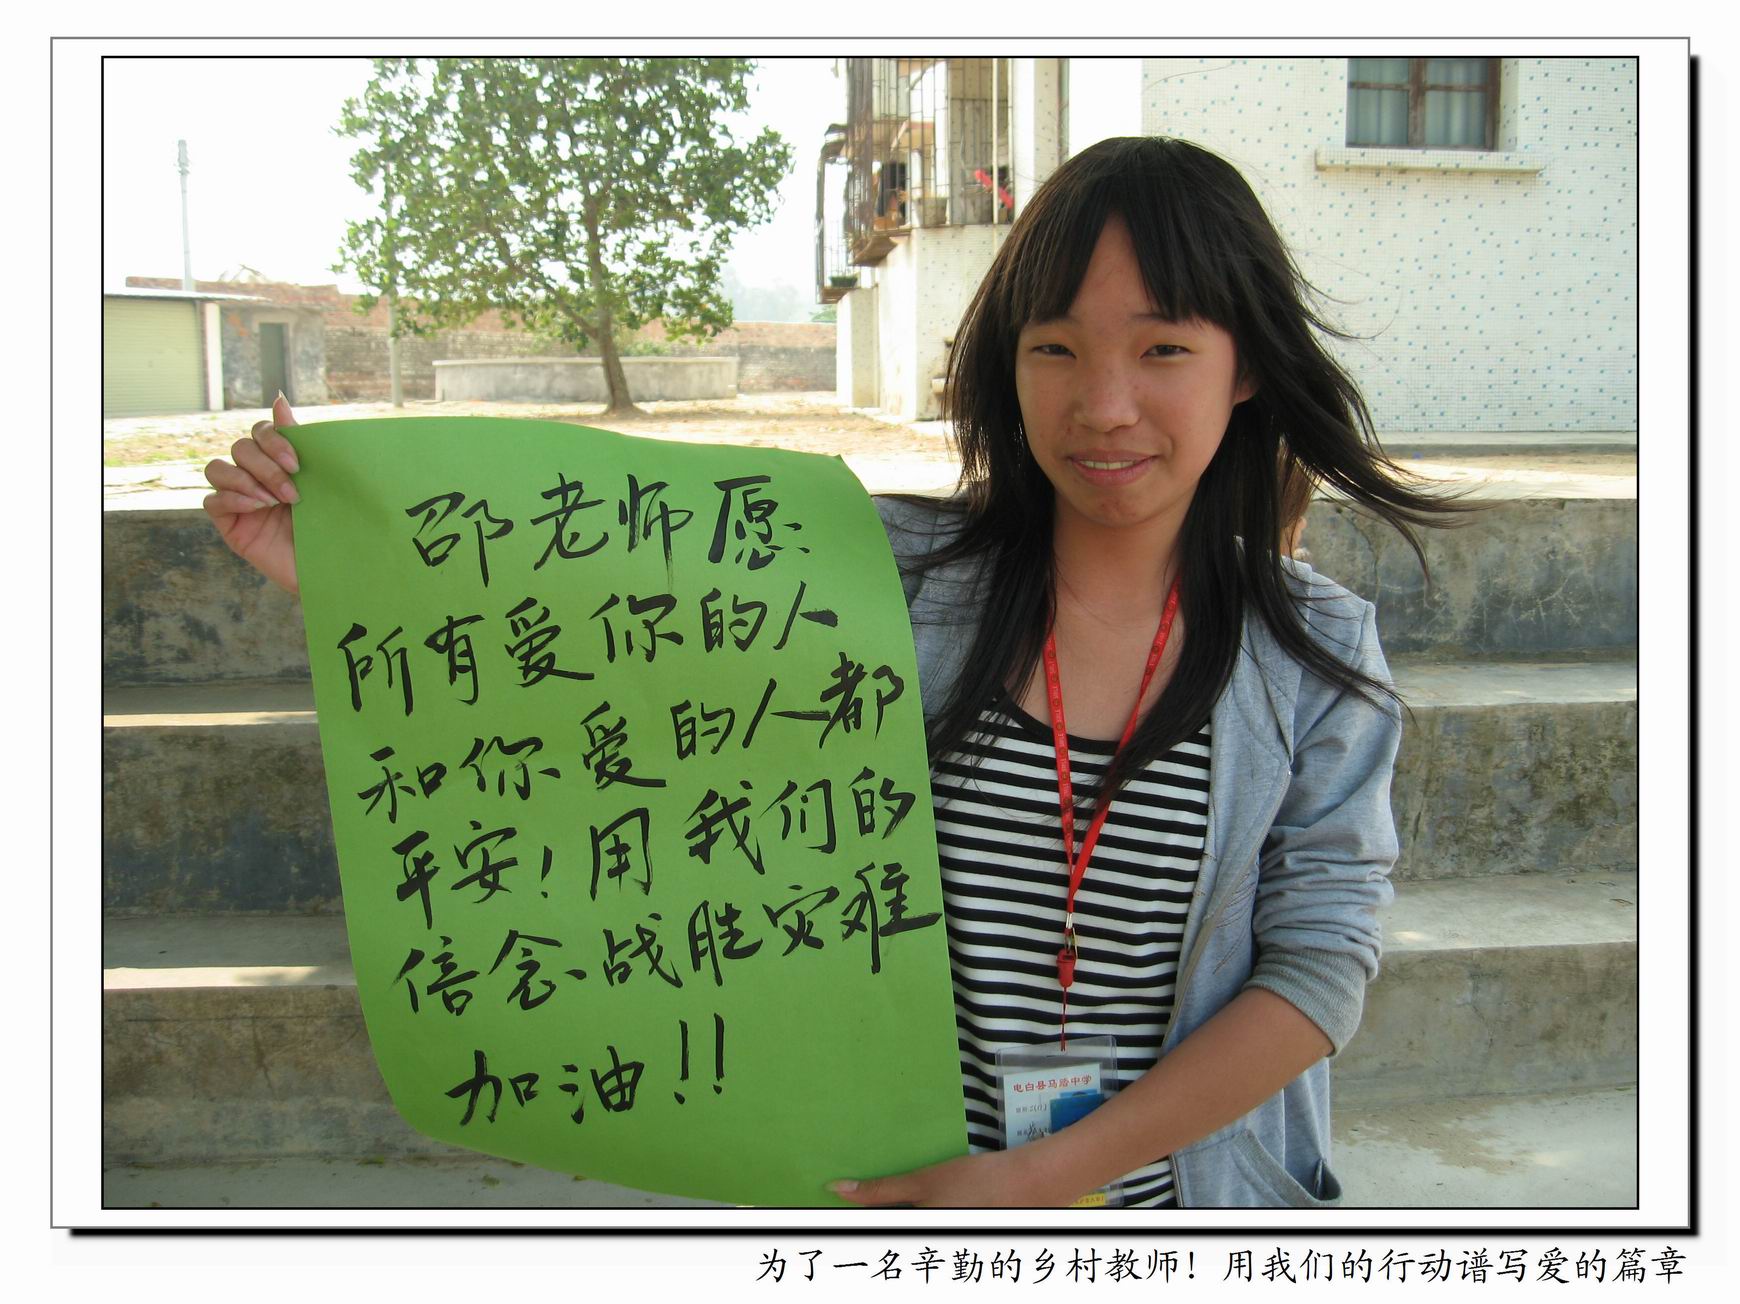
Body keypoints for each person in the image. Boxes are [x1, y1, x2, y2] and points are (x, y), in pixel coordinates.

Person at [205, 136, 1462, 1209]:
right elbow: (614, 662)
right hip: (898, 1210)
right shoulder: (881, 577)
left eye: (1164, 350)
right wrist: (344, 564)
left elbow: (1318, 968)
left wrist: (1042, 1175)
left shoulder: (1314, 656)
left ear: (1247, 366)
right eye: (1057, 348)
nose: (1105, 404)